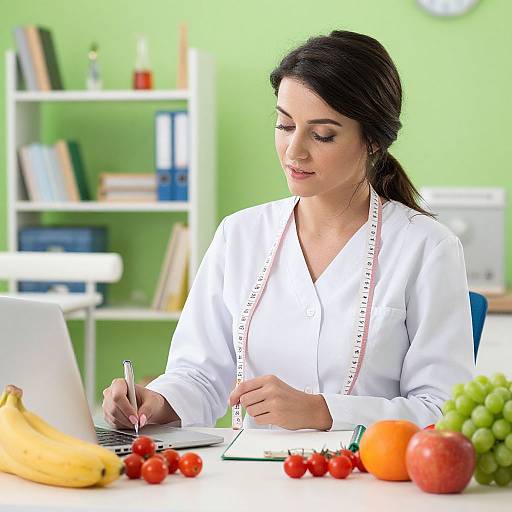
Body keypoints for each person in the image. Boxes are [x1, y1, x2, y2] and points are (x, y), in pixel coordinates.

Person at [102, 30, 475, 432]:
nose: (294, 151)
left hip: (369, 483)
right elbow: (199, 375)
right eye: (284, 125)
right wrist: (157, 400)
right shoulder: (239, 235)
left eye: (322, 134)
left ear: (372, 142)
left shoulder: (426, 248)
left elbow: (442, 410)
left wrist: (323, 412)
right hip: (252, 483)